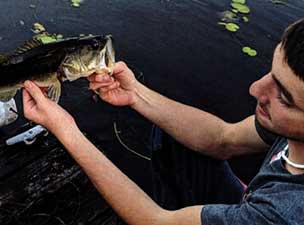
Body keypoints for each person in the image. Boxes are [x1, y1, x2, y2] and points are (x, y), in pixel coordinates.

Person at [21, 18, 304, 225]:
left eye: (286, 98)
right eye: (270, 73)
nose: (255, 90)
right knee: (173, 136)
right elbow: (222, 138)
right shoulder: (290, 130)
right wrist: (136, 95)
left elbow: (154, 220)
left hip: (252, 214)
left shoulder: (283, 213)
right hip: (251, 202)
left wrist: (67, 130)